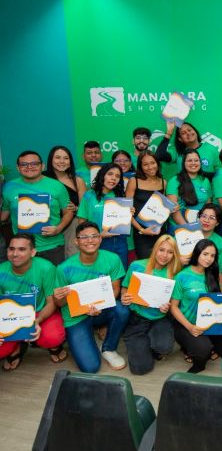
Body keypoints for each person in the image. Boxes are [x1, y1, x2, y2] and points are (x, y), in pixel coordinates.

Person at [53, 221, 129, 372]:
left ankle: (108, 348)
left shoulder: (112, 259)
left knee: (122, 310)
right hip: (75, 317)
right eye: (84, 237)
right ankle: (88, 338)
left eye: (94, 236)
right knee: (90, 367)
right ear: (76, 242)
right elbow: (59, 304)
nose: (90, 240)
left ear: (100, 239)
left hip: (101, 309)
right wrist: (59, 297)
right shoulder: (63, 269)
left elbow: (115, 290)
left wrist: (99, 306)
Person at [0, 234, 67, 371]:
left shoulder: (46, 268)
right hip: (8, 316)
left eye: (21, 249)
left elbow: (51, 302)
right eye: (11, 249)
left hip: (39, 312)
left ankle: (52, 346)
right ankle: (17, 347)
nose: (15, 254)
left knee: (53, 337)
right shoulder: (1, 270)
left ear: (32, 252)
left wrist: (36, 321)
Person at [120, 234, 182, 374]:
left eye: (170, 252)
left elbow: (173, 302)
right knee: (140, 369)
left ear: (174, 255)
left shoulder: (175, 273)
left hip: (159, 318)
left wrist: (167, 307)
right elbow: (125, 289)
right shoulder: (137, 265)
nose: (164, 255)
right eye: (161, 250)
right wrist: (124, 297)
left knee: (164, 348)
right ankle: (138, 342)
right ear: (155, 249)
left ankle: (148, 342)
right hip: (137, 318)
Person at [1, 150, 74, 265]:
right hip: (22, 248)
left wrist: (58, 228)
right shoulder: (9, 187)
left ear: (42, 166)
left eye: (34, 163)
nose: (29, 167)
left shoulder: (57, 185)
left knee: (54, 277)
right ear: (18, 168)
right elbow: (4, 215)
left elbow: (68, 212)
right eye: (24, 164)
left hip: (52, 246)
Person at [170, 239, 222, 373]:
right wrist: (190, 327)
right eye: (205, 254)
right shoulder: (182, 276)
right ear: (197, 253)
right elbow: (173, 307)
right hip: (186, 323)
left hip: (208, 321)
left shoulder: (212, 274)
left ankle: (208, 346)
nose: (209, 259)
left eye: (212, 256)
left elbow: (218, 298)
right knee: (203, 350)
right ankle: (193, 353)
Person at [76, 163, 130, 269]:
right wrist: (98, 235)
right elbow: (82, 223)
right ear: (102, 175)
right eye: (110, 174)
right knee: (100, 275)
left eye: (117, 176)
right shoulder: (89, 196)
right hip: (96, 243)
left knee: (120, 273)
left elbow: (123, 221)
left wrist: (129, 212)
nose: (113, 178)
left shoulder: (120, 196)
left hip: (120, 242)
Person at [43, 145, 87, 258]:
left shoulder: (78, 181)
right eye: (57, 157)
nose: (62, 161)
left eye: (66, 158)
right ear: (51, 159)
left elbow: (85, 208)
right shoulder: (42, 179)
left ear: (70, 161)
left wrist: (76, 209)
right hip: (46, 227)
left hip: (72, 227)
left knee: (72, 258)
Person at [127, 150, 169, 259]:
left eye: (152, 163)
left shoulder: (163, 182)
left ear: (157, 163)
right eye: (145, 164)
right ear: (140, 166)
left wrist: (172, 208)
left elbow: (164, 207)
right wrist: (141, 230)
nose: (150, 167)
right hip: (141, 233)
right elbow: (126, 211)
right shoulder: (134, 181)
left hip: (159, 231)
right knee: (145, 265)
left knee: (161, 262)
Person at [166, 149, 212, 226]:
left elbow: (208, 205)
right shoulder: (175, 180)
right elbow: (173, 209)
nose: (193, 163)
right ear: (184, 163)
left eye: (196, 160)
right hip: (180, 225)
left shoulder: (205, 180)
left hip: (201, 224)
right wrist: (187, 228)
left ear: (200, 162)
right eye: (189, 160)